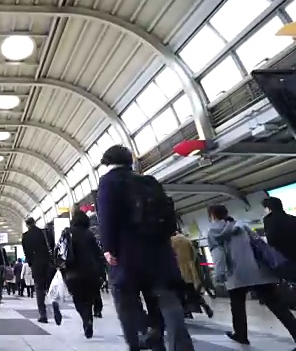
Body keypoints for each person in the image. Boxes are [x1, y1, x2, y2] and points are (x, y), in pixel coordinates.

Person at [97, 145, 193, 351]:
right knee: (167, 299)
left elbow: (107, 218)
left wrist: (108, 248)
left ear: (107, 162)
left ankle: (137, 342)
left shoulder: (109, 182)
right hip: (158, 252)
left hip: (126, 254)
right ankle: (181, 344)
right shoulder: (149, 181)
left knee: (126, 300)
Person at [208, 204, 296, 346]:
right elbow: (260, 244)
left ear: (212, 215)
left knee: (237, 306)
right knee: (277, 306)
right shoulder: (243, 226)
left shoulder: (213, 231)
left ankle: (241, 335)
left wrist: (219, 275)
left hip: (236, 274)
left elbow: (218, 255)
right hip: (258, 271)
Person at [60, 208, 105, 338]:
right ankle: (89, 317)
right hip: (91, 273)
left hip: (73, 272)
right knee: (89, 299)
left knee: (78, 299)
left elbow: (60, 252)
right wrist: (101, 273)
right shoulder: (89, 235)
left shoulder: (67, 233)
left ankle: (86, 319)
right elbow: (98, 254)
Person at [170, 230, 213, 319]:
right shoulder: (187, 240)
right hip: (189, 270)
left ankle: (187, 312)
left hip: (177, 271)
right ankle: (204, 305)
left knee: (179, 293)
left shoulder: (171, 241)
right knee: (192, 292)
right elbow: (194, 256)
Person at [21, 217, 56, 323]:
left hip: (36, 265)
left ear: (27, 225)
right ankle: (56, 309)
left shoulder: (25, 237)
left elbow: (27, 253)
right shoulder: (45, 233)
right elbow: (53, 246)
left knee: (39, 289)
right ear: (35, 222)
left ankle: (43, 314)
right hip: (48, 263)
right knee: (51, 288)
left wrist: (32, 263)